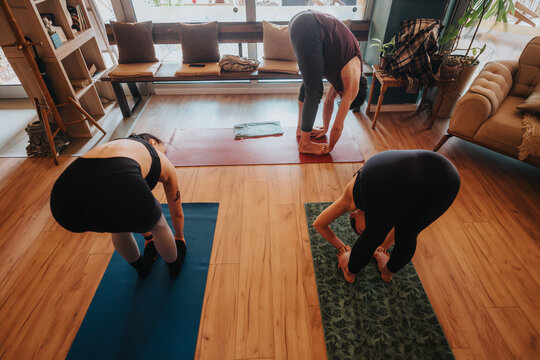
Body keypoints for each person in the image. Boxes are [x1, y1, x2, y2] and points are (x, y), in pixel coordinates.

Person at [50, 133, 186, 278]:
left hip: (63, 199)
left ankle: (141, 268)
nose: (165, 156)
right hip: (120, 180)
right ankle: (174, 266)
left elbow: (123, 200)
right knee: (158, 226)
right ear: (153, 143)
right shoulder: (157, 158)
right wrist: (179, 238)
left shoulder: (113, 146)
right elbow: (176, 211)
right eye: (164, 152)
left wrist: (148, 238)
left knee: (118, 226)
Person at [312, 150, 460, 283]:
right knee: (408, 232)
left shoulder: (349, 199)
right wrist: (382, 247)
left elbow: (318, 224)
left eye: (360, 230)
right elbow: (398, 223)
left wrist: (347, 252)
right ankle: (387, 271)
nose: (363, 231)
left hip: (431, 175)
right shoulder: (390, 204)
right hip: (447, 178)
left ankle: (350, 271)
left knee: (373, 235)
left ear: (355, 214)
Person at [289, 10, 367, 155]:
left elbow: (328, 102)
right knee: (314, 90)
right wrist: (329, 148)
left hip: (299, 20)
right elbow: (338, 126)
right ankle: (305, 144)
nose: (340, 96)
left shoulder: (346, 70)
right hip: (310, 26)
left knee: (309, 84)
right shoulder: (353, 82)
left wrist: (325, 128)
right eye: (343, 97)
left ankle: (301, 129)